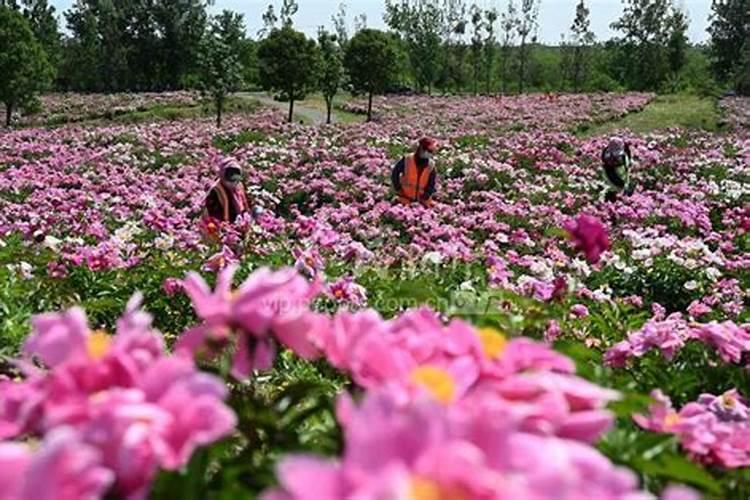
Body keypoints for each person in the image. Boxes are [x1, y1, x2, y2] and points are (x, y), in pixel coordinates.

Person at [203, 158, 260, 228]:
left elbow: (246, 201)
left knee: (258, 210)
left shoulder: (239, 186)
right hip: (224, 222)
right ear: (223, 176)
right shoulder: (216, 190)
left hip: (240, 219)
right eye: (230, 180)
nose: (233, 184)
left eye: (236, 180)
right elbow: (213, 213)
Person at [391, 137, 438, 207]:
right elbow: (395, 173)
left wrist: (426, 195)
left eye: (431, 151)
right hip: (405, 197)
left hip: (422, 200)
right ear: (420, 148)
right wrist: (398, 188)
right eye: (427, 150)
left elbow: (431, 183)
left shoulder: (431, 165)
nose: (428, 153)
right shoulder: (407, 159)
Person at [601, 136, 634, 202]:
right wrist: (622, 184)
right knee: (614, 191)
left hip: (622, 176)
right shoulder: (608, 159)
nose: (616, 158)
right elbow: (611, 175)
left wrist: (629, 162)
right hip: (613, 183)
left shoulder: (624, 153)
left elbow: (628, 155)